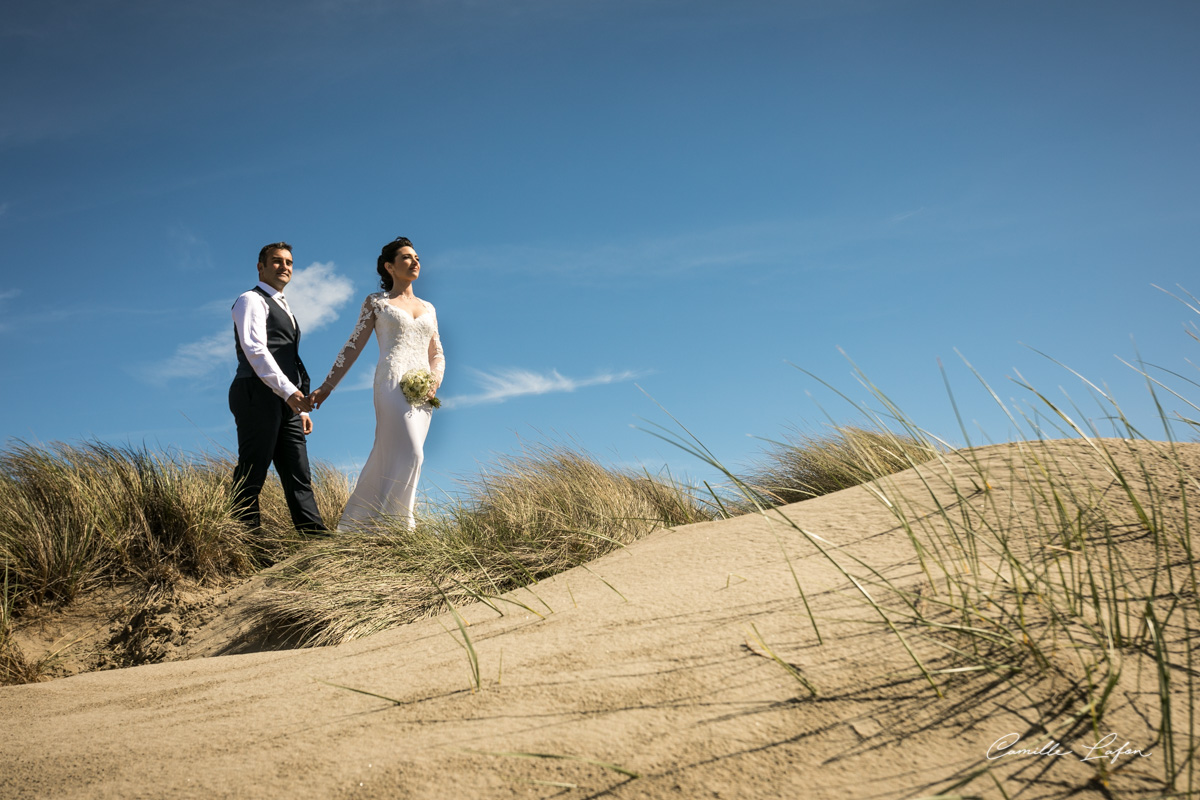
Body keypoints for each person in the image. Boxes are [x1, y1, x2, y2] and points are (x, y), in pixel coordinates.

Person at [309, 236, 445, 530]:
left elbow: (437, 353)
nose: (415, 261)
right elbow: (353, 345)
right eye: (407, 257)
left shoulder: (429, 308)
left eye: (417, 257)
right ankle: (401, 527)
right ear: (389, 267)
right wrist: (327, 386)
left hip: (423, 393)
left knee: (395, 453)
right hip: (391, 382)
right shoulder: (377, 302)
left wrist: (434, 381)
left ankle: (363, 522)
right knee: (414, 452)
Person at [229, 242, 328, 536]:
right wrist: (289, 392)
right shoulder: (250, 300)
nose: (284, 267)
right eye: (276, 261)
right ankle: (247, 542)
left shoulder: (285, 307)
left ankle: (316, 541)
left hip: (286, 400)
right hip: (255, 393)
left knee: (299, 473)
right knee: (253, 469)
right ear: (260, 267)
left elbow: (288, 357)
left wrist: (297, 405)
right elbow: (255, 350)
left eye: (289, 262)